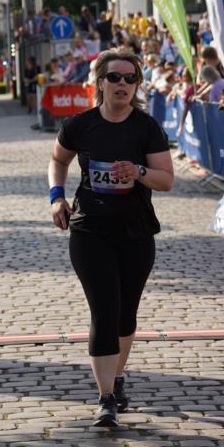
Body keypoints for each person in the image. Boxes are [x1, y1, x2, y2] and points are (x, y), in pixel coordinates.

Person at [48, 49, 174, 427]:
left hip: (135, 231)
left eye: (130, 78)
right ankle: (106, 399)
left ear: (137, 84)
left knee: (125, 315)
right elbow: (58, 159)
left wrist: (137, 171)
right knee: (104, 311)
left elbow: (166, 179)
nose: (122, 84)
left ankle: (117, 376)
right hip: (89, 230)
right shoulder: (81, 125)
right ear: (100, 82)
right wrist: (57, 196)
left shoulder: (146, 128)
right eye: (115, 77)